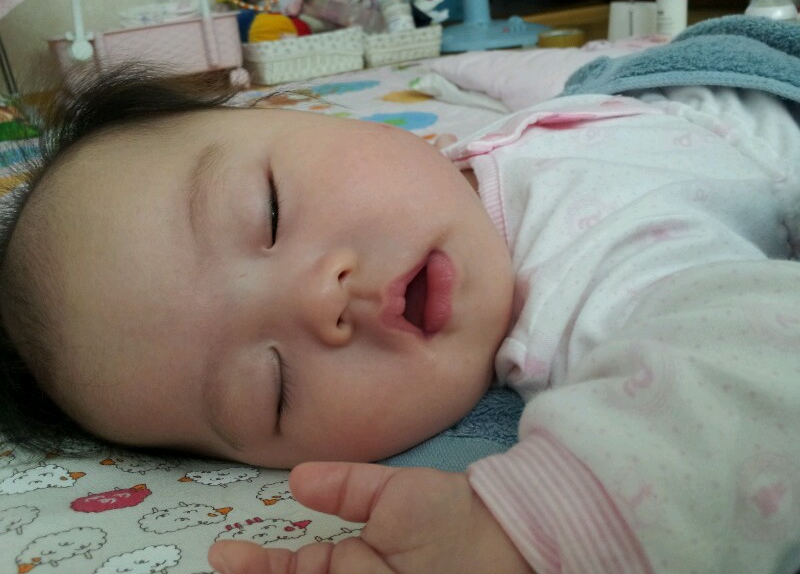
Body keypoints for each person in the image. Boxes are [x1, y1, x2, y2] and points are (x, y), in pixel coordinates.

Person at [1, 48, 799, 573]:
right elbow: (756, 364)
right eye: (271, 387)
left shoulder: (456, 163)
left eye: (270, 211)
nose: (319, 298)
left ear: (301, 113)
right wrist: (542, 528)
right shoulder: (595, 293)